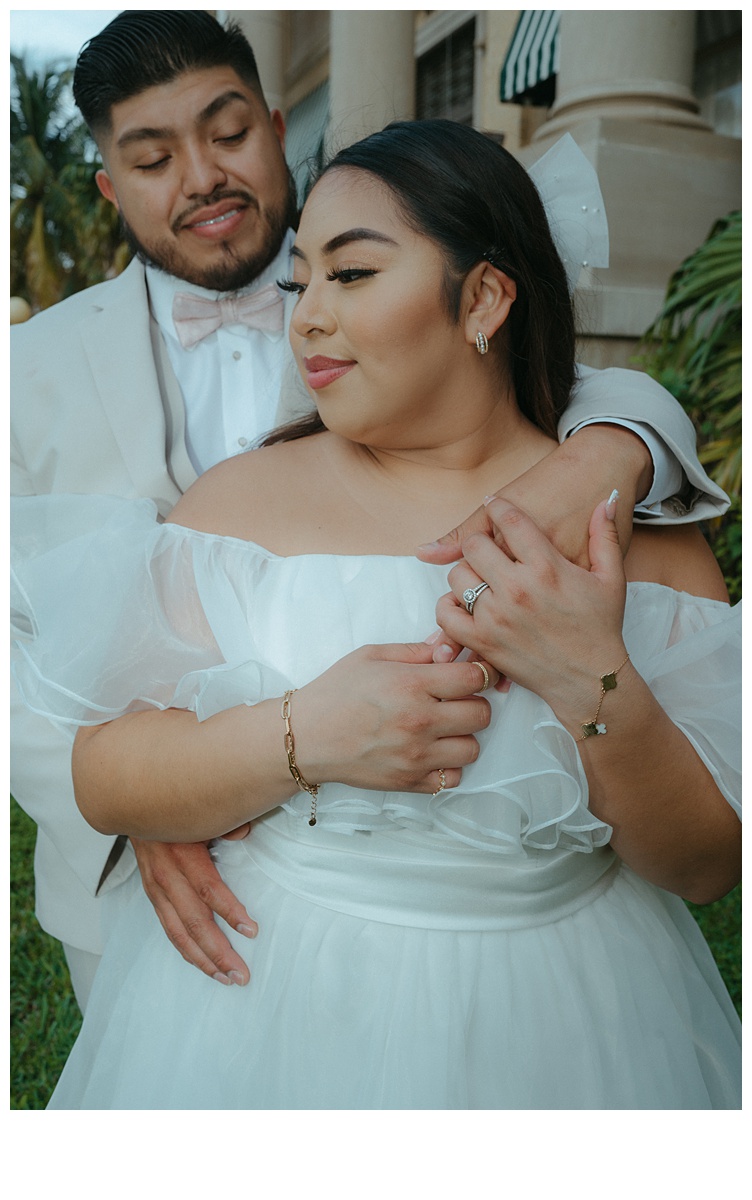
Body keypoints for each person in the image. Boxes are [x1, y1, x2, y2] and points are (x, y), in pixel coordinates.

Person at [10, 10, 729, 1015]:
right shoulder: (31, 375)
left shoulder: (591, 470)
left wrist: (588, 639)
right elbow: (45, 670)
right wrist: (181, 796)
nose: (201, 175)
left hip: (564, 990)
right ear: (109, 184)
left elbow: (707, 856)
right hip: (216, 935)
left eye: (227, 134)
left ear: (272, 124)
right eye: (151, 155)